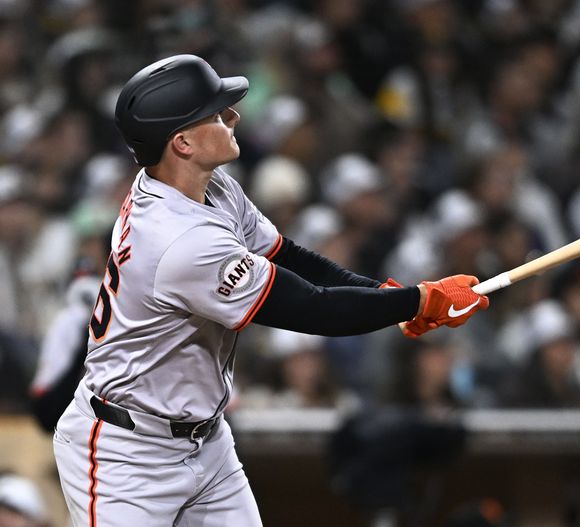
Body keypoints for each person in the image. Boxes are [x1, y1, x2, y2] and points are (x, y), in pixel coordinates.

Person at [52, 54, 488, 527]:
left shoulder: (207, 187)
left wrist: (387, 295)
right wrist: (417, 301)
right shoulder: (180, 241)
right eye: (216, 114)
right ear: (182, 142)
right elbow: (310, 308)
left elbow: (289, 257)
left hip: (206, 441)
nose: (233, 116)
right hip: (127, 454)